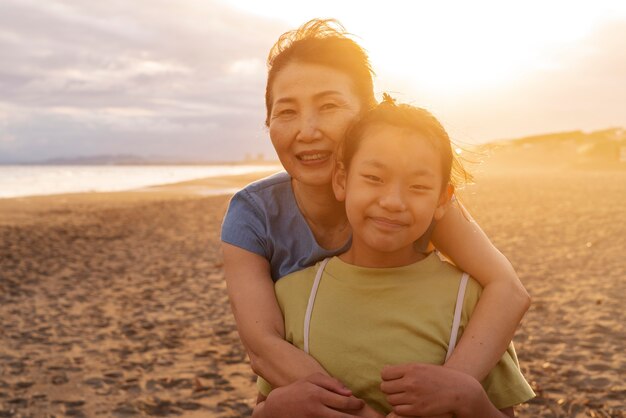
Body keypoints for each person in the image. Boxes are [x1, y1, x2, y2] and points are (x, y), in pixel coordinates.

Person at [221, 19, 531, 416]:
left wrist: (455, 388)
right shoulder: (254, 214)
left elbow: (508, 289)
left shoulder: (406, 199)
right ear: (268, 123)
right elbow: (263, 347)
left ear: (366, 116)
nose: (308, 130)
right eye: (286, 112)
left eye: (329, 105)